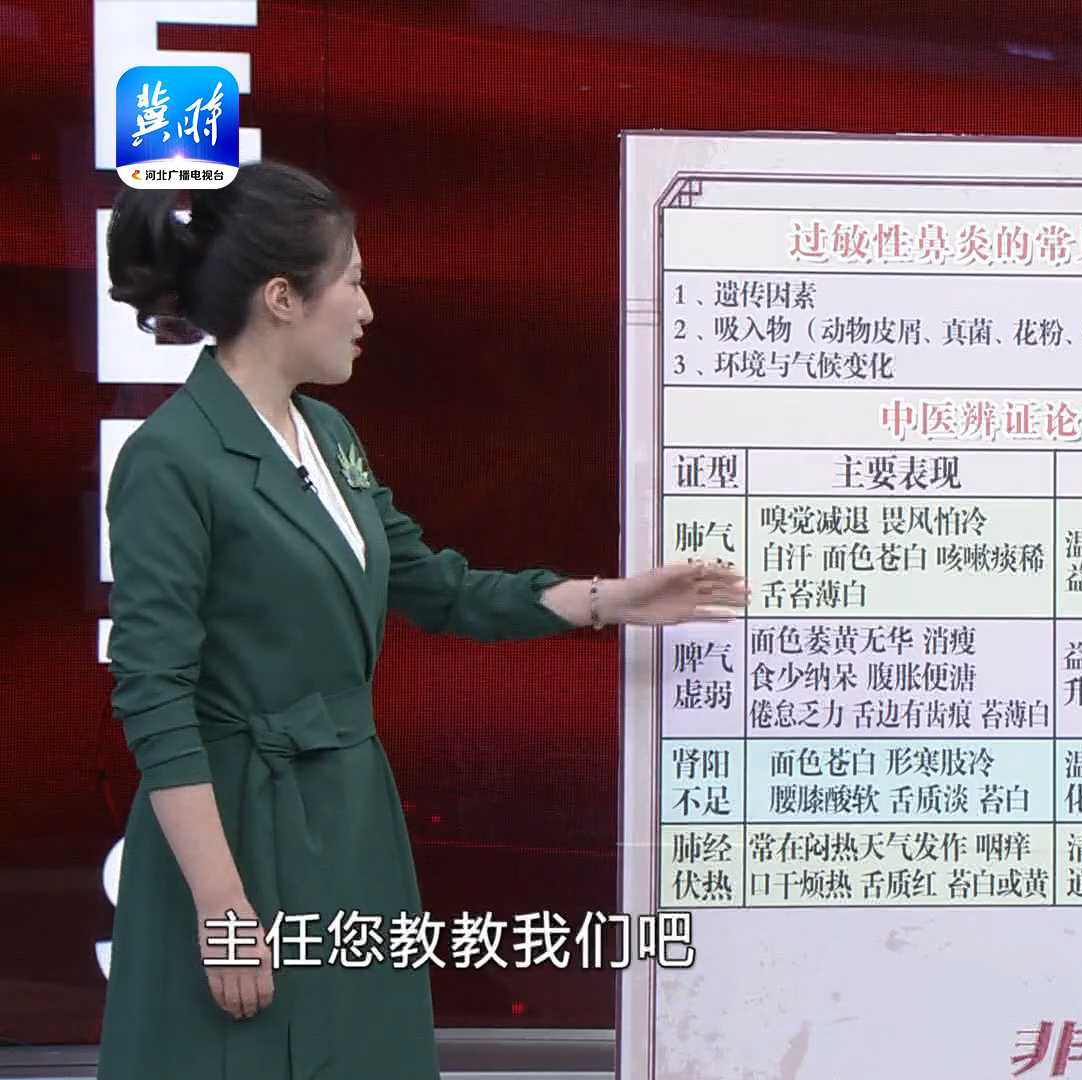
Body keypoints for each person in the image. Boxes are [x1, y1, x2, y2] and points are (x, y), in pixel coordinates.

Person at [96, 160, 747, 1079]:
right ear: (282, 298)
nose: (366, 309)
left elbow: (439, 587)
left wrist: (615, 599)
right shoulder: (171, 458)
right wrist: (221, 906)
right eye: (353, 282)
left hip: (349, 815)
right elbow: (154, 694)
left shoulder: (328, 438)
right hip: (238, 831)